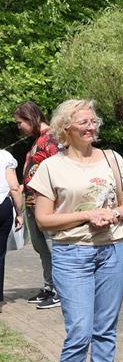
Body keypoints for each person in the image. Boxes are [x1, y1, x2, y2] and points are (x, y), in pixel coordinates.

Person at [30, 99, 123, 362]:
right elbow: (44, 219)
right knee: (79, 329)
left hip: (114, 250)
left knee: (105, 327)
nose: (91, 127)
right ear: (66, 129)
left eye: (94, 122)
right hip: (72, 254)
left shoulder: (112, 159)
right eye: (84, 123)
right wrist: (88, 214)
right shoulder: (51, 167)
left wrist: (114, 213)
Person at [14, 101, 61, 310]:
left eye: (20, 122)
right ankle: (49, 286)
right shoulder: (37, 141)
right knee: (41, 248)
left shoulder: (51, 139)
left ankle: (61, 290)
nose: (19, 127)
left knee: (53, 247)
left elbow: (60, 170)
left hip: (47, 205)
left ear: (30, 118)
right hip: (33, 204)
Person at [0, 146, 23, 312]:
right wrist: (19, 213)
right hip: (2, 205)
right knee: (0, 253)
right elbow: (14, 188)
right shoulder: (5, 156)